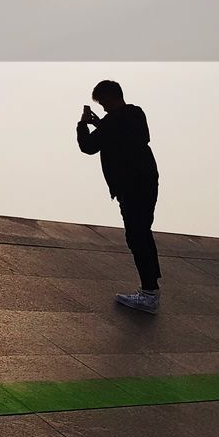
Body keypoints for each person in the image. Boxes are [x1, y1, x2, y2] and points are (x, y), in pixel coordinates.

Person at [76, 79, 162, 312]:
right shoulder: (136, 114)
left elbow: (89, 146)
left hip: (131, 187)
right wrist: (101, 123)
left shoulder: (112, 122)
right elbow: (124, 135)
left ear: (111, 97)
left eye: (103, 102)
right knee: (143, 232)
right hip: (147, 181)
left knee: (136, 236)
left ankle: (149, 293)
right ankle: (151, 288)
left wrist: (83, 125)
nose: (102, 107)